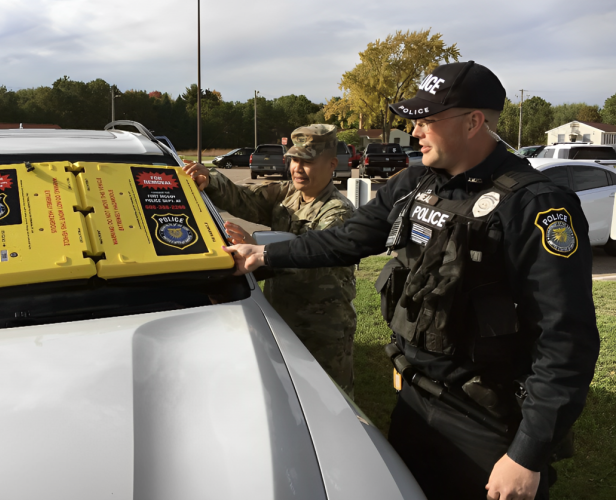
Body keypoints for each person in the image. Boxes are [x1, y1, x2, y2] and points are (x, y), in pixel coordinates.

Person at [221, 61, 600, 499]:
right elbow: (346, 239)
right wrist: (265, 254)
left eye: (427, 120)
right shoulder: (417, 181)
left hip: (485, 418)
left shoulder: (536, 205)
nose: (415, 132)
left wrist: (527, 454)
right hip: (414, 399)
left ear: (473, 122)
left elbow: (565, 339)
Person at [183, 124, 358, 395]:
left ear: (332, 164)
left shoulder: (338, 212)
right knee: (289, 396)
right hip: (283, 317)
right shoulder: (288, 194)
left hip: (323, 330)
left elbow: (315, 260)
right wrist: (210, 178)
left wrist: (260, 251)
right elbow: (245, 199)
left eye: (308, 161)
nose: (298, 168)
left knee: (328, 401)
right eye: (294, 159)